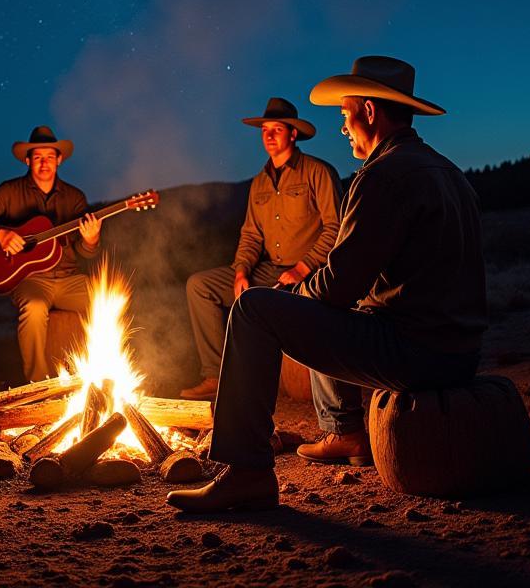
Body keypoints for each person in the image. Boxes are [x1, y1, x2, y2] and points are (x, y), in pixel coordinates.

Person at [168, 57, 488, 513]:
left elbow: (338, 286)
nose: (343, 127)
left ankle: (247, 471)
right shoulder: (449, 173)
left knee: (255, 309)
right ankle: (345, 432)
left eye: (345, 114)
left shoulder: (381, 176)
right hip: (461, 351)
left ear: (370, 112)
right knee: (310, 307)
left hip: (414, 352)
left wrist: (293, 298)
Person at [180, 98, 342, 401]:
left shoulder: (318, 173)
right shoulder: (259, 183)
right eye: (265, 130)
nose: (268, 136)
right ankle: (215, 376)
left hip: (309, 272)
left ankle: (276, 387)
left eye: (276, 129)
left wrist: (303, 268)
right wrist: (241, 271)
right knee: (200, 286)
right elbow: (251, 235)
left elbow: (336, 228)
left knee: (280, 315)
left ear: (292, 134)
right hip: (269, 270)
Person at [0, 126, 101, 383]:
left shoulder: (74, 197)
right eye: (38, 157)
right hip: (32, 280)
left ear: (59, 160)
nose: (44, 163)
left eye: (50, 157)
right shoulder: (9, 191)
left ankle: (96, 377)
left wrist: (91, 240)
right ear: (28, 160)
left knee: (105, 301)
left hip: (71, 278)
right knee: (34, 308)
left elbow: (85, 252)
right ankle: (37, 383)